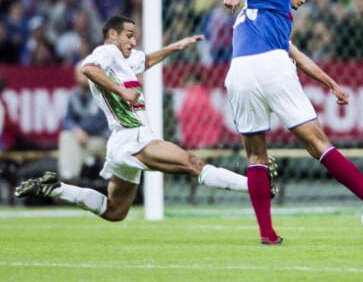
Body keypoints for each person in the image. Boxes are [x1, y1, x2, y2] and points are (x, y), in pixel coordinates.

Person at [14, 15, 268, 222]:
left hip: (123, 141)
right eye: (128, 35)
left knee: (115, 211)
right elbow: (88, 69)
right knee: (193, 164)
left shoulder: (124, 59)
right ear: (112, 35)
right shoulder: (106, 52)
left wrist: (175, 47)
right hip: (133, 136)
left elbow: (145, 60)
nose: (133, 41)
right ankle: (257, 185)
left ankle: (55, 187)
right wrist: (122, 91)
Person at [223, 0, 363, 245]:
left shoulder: (265, 18)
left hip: (239, 73)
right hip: (271, 66)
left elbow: (299, 56)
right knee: (319, 145)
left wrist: (331, 84)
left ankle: (267, 234)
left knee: (256, 156)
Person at [57, 62, 109, 184]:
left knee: (72, 142)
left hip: (103, 140)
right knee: (66, 136)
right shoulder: (74, 95)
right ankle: (68, 178)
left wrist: (80, 130)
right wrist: (76, 130)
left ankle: (70, 180)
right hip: (83, 141)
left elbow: (101, 122)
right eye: (79, 74)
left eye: (85, 73)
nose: (82, 77)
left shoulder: (102, 92)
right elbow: (66, 120)